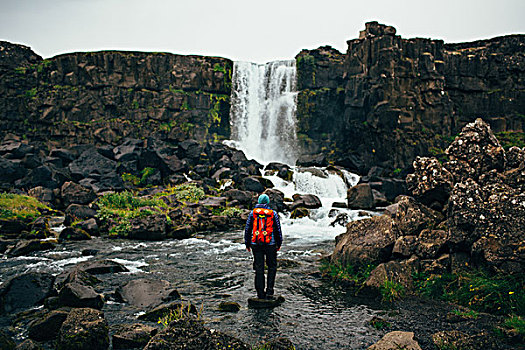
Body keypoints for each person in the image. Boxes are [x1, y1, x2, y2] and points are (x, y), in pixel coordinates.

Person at [244, 194, 283, 300]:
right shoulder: (273, 213)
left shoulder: (253, 213)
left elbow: (248, 229)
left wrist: (247, 243)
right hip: (270, 244)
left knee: (259, 268)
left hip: (256, 243)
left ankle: (260, 293)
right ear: (267, 202)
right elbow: (278, 230)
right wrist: (279, 243)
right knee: (272, 267)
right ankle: (270, 291)